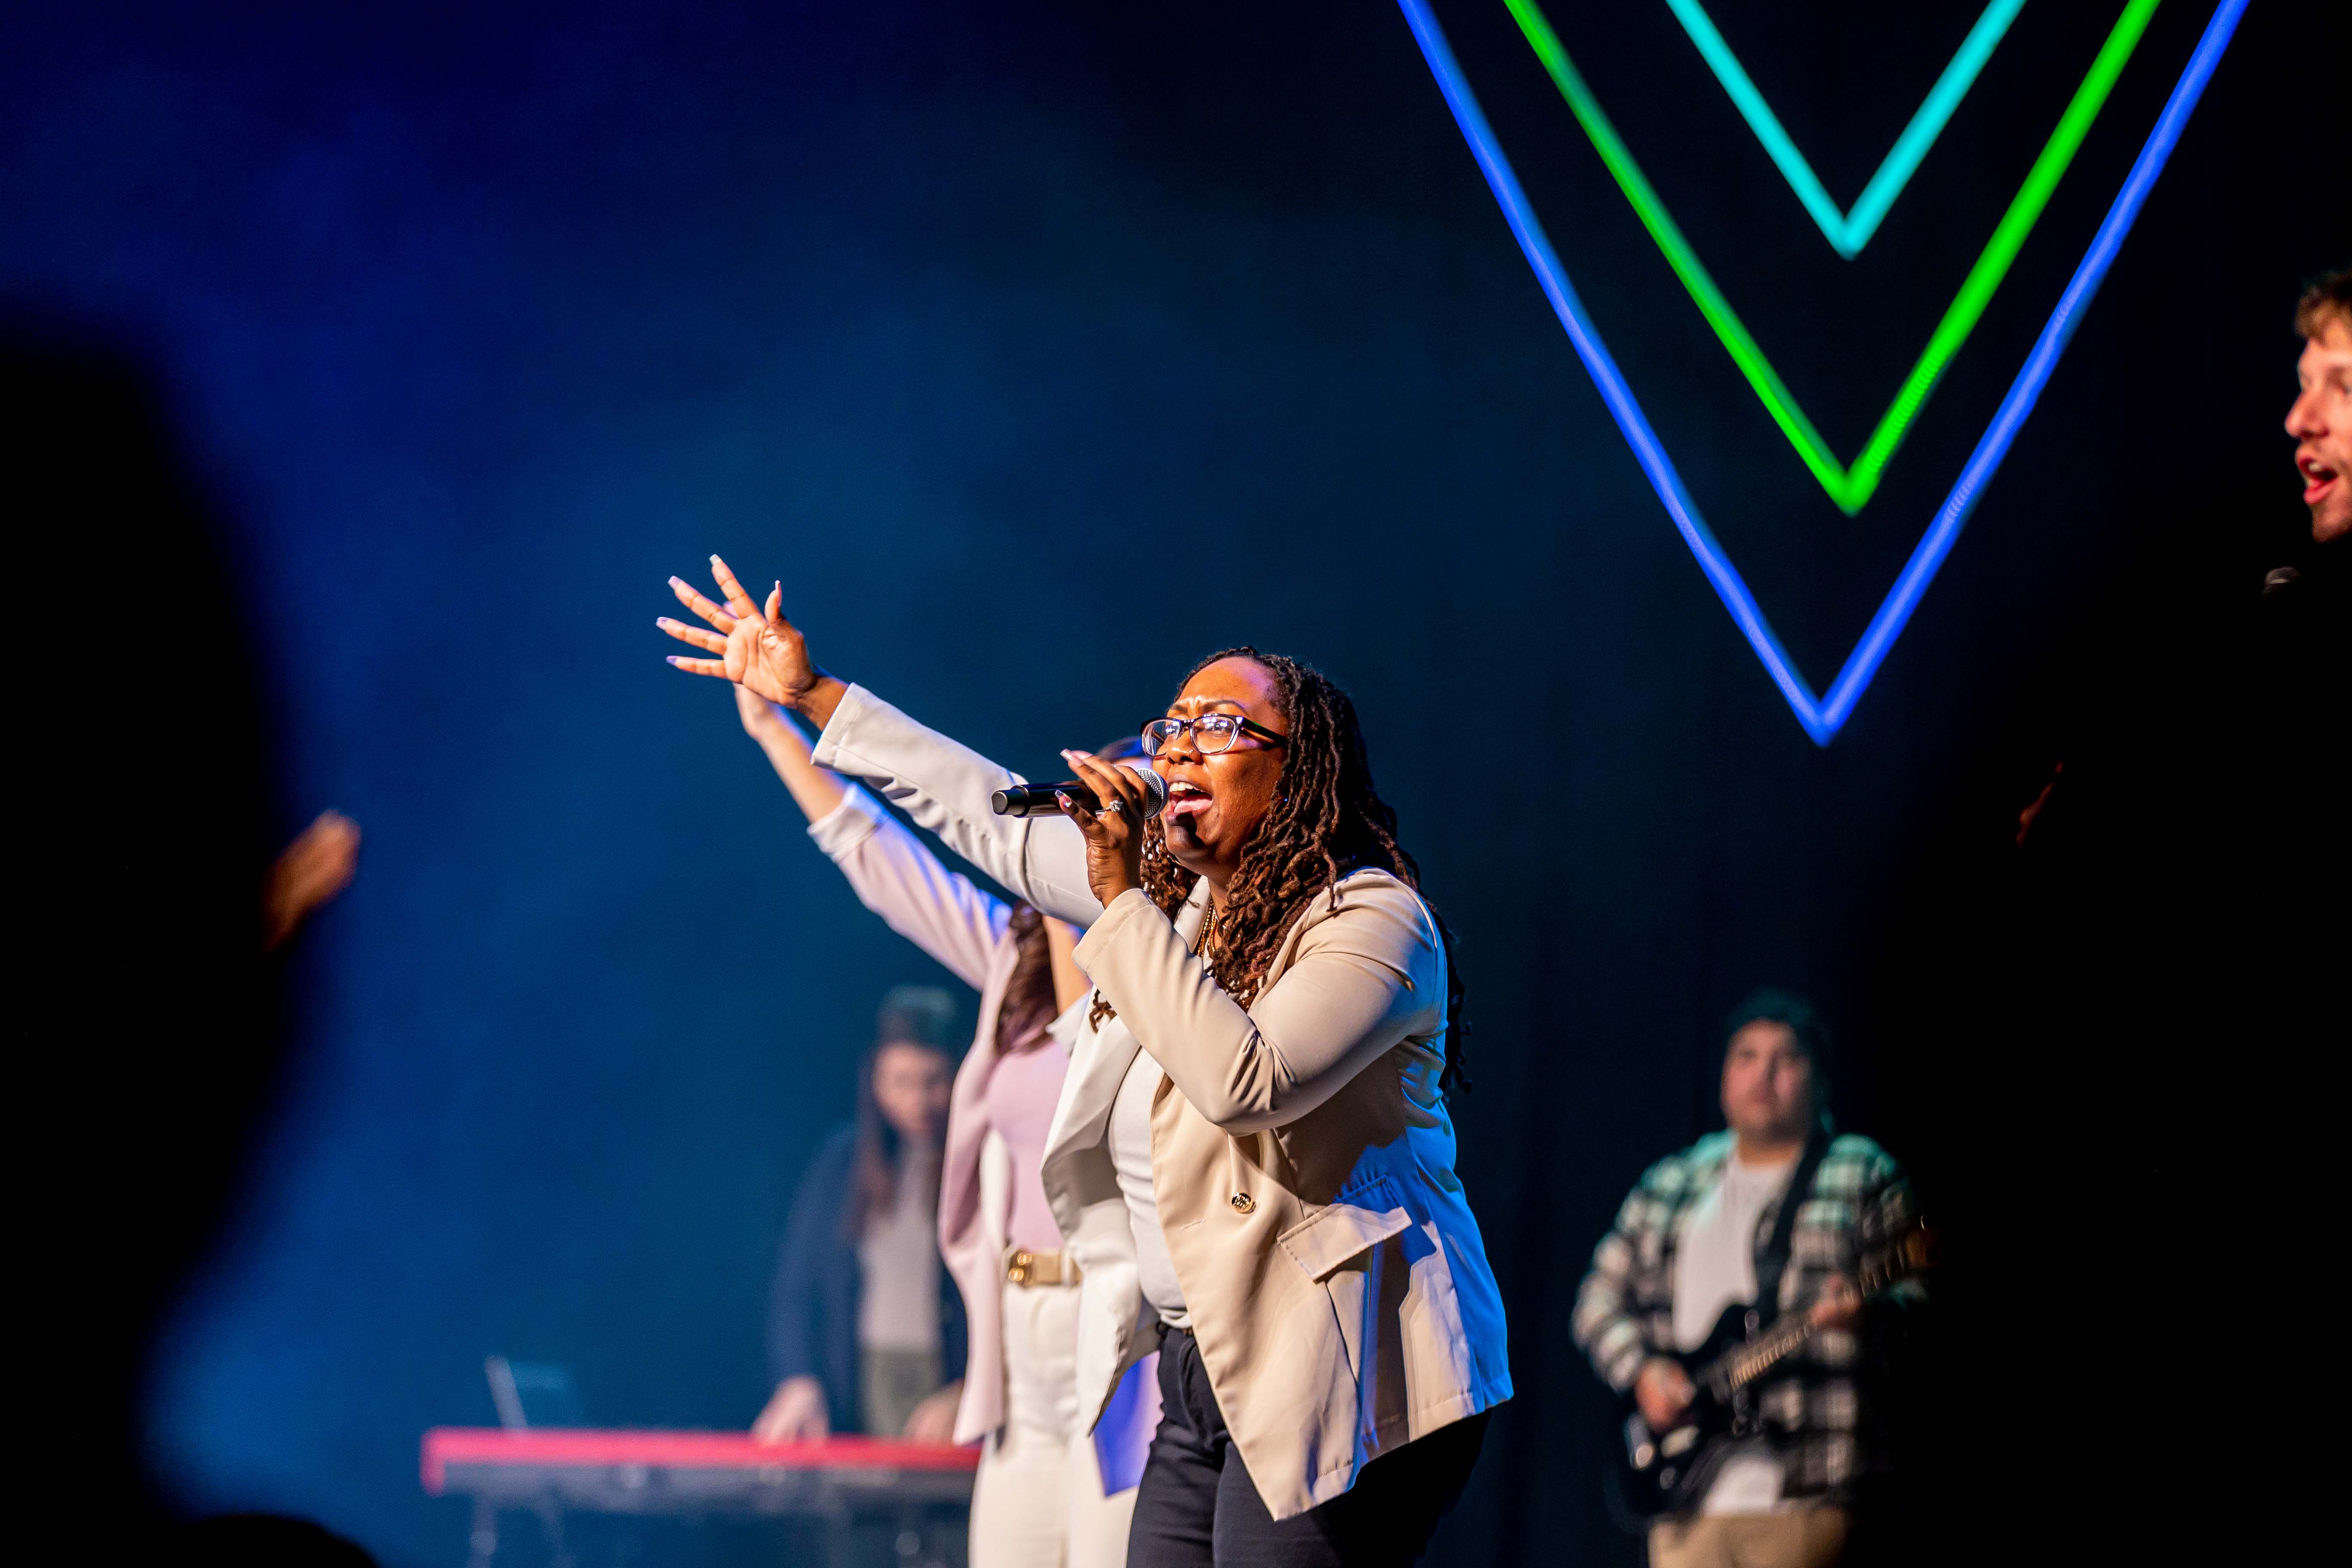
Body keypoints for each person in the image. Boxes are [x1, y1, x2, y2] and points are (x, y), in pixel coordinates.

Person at [658, 558, 1511, 1568]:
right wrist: (810, 694)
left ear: (1299, 769)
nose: (1181, 745)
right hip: (1196, 1364)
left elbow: (1243, 1082)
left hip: (1340, 1352)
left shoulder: (1370, 919)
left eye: (1219, 726)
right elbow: (975, 810)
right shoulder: (1172, 914)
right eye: (1172, 726)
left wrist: (1116, 900)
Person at [731, 685, 1147, 1567]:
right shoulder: (1015, 959)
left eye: (1118, 807)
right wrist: (774, 728)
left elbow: (1114, 1091)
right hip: (1021, 1323)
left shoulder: (1173, 977)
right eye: (1086, 803)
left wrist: (1103, 909)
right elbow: (882, 863)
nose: (1088, 822)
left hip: (1122, 1329)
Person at [1572, 992, 1921, 1568]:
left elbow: (1919, 1307)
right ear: (1723, 1079)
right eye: (1747, 1056)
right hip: (1685, 1499)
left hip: (1812, 1493)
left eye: (1787, 1059)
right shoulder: (1674, 1181)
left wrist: (1872, 1315)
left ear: (1820, 1079)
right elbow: (1596, 1300)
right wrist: (1643, 1372)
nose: (1765, 1074)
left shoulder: (1864, 1171)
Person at [762, 984, 970, 1445]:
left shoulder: (978, 1163)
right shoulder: (843, 1163)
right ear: (875, 1080)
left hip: (943, 1385)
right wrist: (798, 1378)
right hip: (862, 1377)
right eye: (900, 1082)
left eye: (933, 1081)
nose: (917, 1101)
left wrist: (973, 1389)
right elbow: (795, 1288)